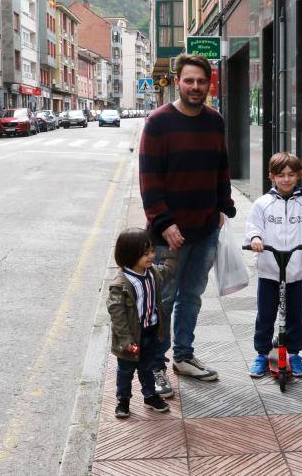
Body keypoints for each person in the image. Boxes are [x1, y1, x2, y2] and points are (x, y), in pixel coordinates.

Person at [139, 53, 236, 396]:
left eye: (201, 81)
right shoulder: (158, 122)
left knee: (192, 296)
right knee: (164, 300)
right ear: (177, 82)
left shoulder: (215, 121)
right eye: (189, 81)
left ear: (209, 83)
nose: (195, 87)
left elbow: (221, 167)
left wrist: (224, 206)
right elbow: (149, 180)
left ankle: (183, 356)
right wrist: (164, 223)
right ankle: (155, 365)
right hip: (169, 236)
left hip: (206, 228)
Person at [245, 152, 302, 377]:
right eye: (280, 175)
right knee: (266, 314)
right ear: (272, 176)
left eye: (291, 174)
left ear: (299, 175)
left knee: (294, 315)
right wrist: (255, 239)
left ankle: (294, 354)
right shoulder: (262, 204)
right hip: (269, 270)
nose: (286, 179)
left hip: (294, 272)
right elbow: (253, 227)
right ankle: (262, 354)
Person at [106, 228, 177, 418]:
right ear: (129, 255)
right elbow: (117, 314)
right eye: (145, 254)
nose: (151, 256)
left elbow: (168, 270)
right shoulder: (121, 283)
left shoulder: (151, 272)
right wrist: (127, 340)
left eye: (152, 251)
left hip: (150, 332)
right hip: (130, 337)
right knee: (126, 370)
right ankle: (123, 400)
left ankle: (150, 396)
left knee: (148, 367)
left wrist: (172, 252)